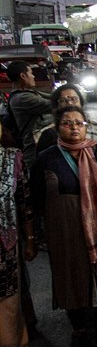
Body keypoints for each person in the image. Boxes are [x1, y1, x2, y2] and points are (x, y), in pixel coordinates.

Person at [31, 105, 97, 345]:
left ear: (86, 126)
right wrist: (34, 235)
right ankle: (77, 321)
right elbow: (36, 196)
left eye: (79, 123)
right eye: (67, 123)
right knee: (70, 270)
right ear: (57, 127)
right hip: (63, 227)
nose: (74, 128)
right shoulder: (47, 158)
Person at [0, 125, 37, 346]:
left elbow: (24, 202)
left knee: (7, 301)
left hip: (5, 247)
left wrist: (30, 239)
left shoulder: (12, 159)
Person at [6, 60, 53, 169]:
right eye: (31, 73)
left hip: (40, 147)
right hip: (34, 150)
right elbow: (53, 104)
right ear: (23, 75)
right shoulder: (22, 99)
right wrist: (72, 98)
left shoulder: (27, 93)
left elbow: (52, 96)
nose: (33, 76)